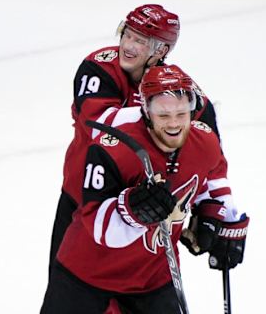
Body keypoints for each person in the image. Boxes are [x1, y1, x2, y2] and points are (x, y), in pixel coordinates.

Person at [40, 65, 249, 314]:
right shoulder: (113, 147)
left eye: (181, 114)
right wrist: (135, 207)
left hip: (153, 278)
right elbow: (98, 225)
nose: (174, 124)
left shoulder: (204, 142)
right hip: (87, 278)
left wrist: (213, 218)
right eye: (163, 116)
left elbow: (211, 180)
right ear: (146, 112)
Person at [48, 4, 221, 272]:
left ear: (161, 50)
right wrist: (158, 109)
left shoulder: (176, 87)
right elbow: (98, 126)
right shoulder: (99, 66)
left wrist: (212, 210)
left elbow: (209, 151)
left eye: (140, 41)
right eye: (126, 34)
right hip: (84, 201)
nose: (127, 45)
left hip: (147, 208)